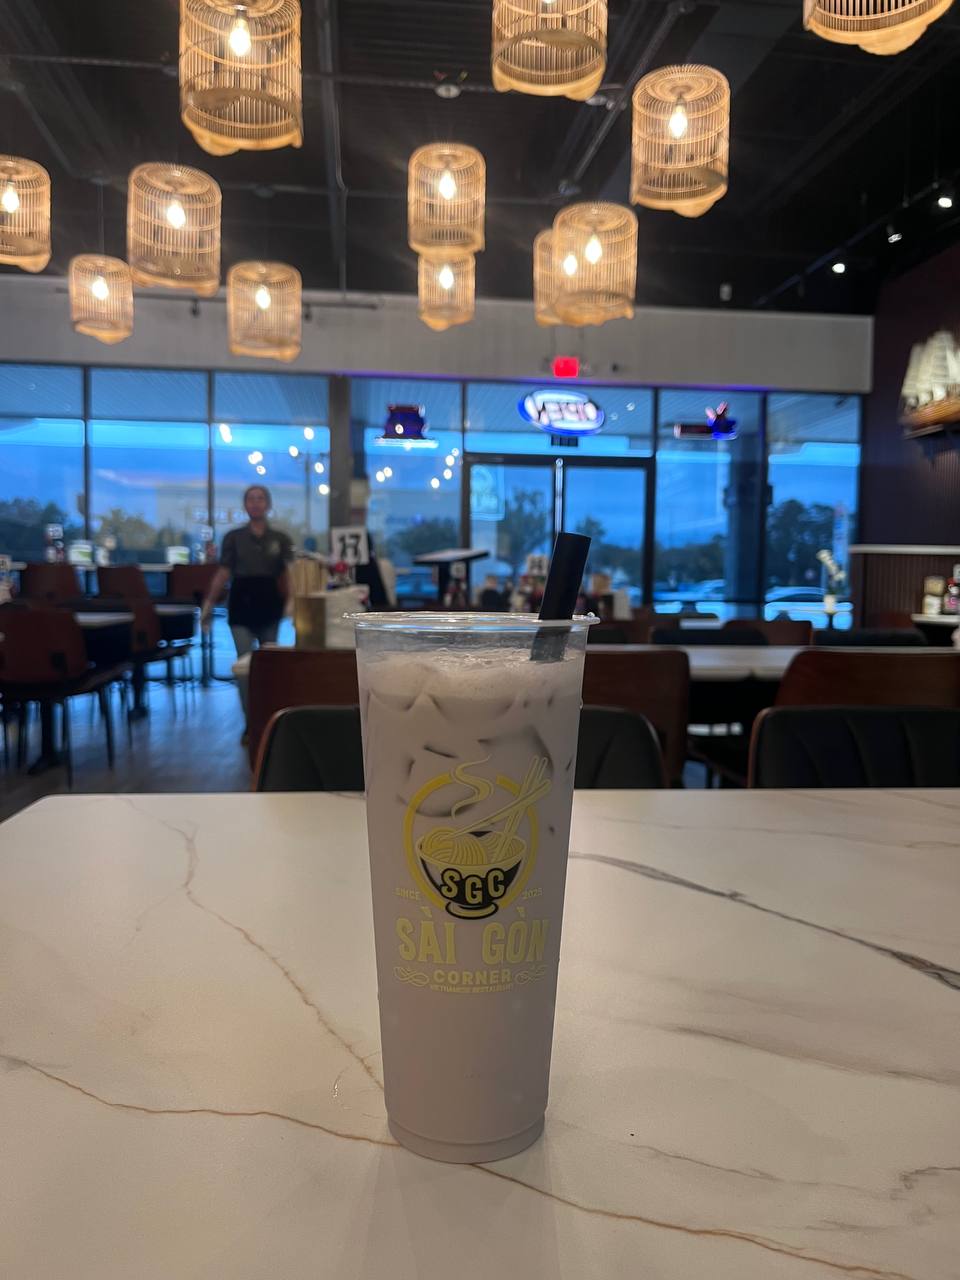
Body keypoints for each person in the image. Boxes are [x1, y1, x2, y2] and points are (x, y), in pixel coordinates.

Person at [201, 486, 293, 734]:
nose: (255, 503)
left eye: (260, 498)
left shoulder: (280, 539)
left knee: (268, 666)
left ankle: (269, 721)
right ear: (245, 505)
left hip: (270, 605)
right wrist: (209, 603)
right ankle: (250, 723)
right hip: (241, 604)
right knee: (244, 667)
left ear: (268, 504)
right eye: (251, 499)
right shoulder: (233, 537)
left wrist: (292, 602)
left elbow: (287, 574)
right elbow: (223, 572)